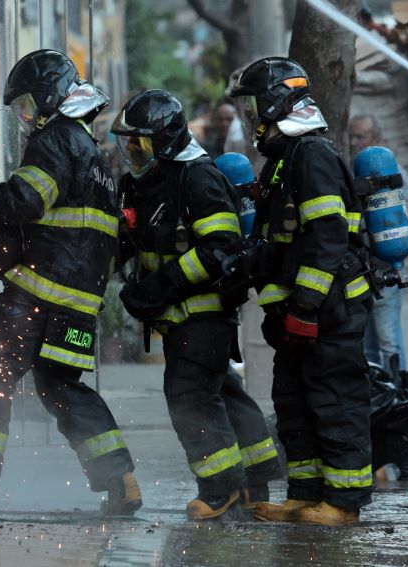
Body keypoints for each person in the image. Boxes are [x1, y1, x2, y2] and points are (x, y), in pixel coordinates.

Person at [0, 50, 141, 515]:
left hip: (38, 296)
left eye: (29, 106)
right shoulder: (96, 157)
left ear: (51, 98)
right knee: (62, 388)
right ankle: (121, 479)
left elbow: (25, 199)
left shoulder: (56, 138)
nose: (27, 118)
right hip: (78, 308)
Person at [111, 89, 281, 521]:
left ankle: (220, 488)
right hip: (179, 317)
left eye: (140, 143)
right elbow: (132, 239)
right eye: (129, 143)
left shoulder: (198, 178)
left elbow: (219, 247)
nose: (132, 152)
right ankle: (255, 480)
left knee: (188, 395)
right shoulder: (145, 183)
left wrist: (160, 286)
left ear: (164, 141)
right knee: (222, 391)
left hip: (205, 314)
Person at [231, 57, 374, 525]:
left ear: (276, 102)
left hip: (330, 310)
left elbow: (329, 235)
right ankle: (305, 493)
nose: (251, 116)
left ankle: (343, 502)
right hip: (301, 312)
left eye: (254, 105)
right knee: (294, 403)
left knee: (335, 402)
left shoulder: (311, 155)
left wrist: (307, 305)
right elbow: (277, 244)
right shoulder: (282, 161)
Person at [348, 113, 408, 374]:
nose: (354, 142)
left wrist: (387, 195)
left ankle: (400, 392)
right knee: (366, 346)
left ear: (377, 137)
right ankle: (378, 394)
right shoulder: (349, 171)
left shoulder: (392, 172)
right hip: (359, 271)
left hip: (386, 268)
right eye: (351, 137)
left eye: (361, 136)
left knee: (389, 341)